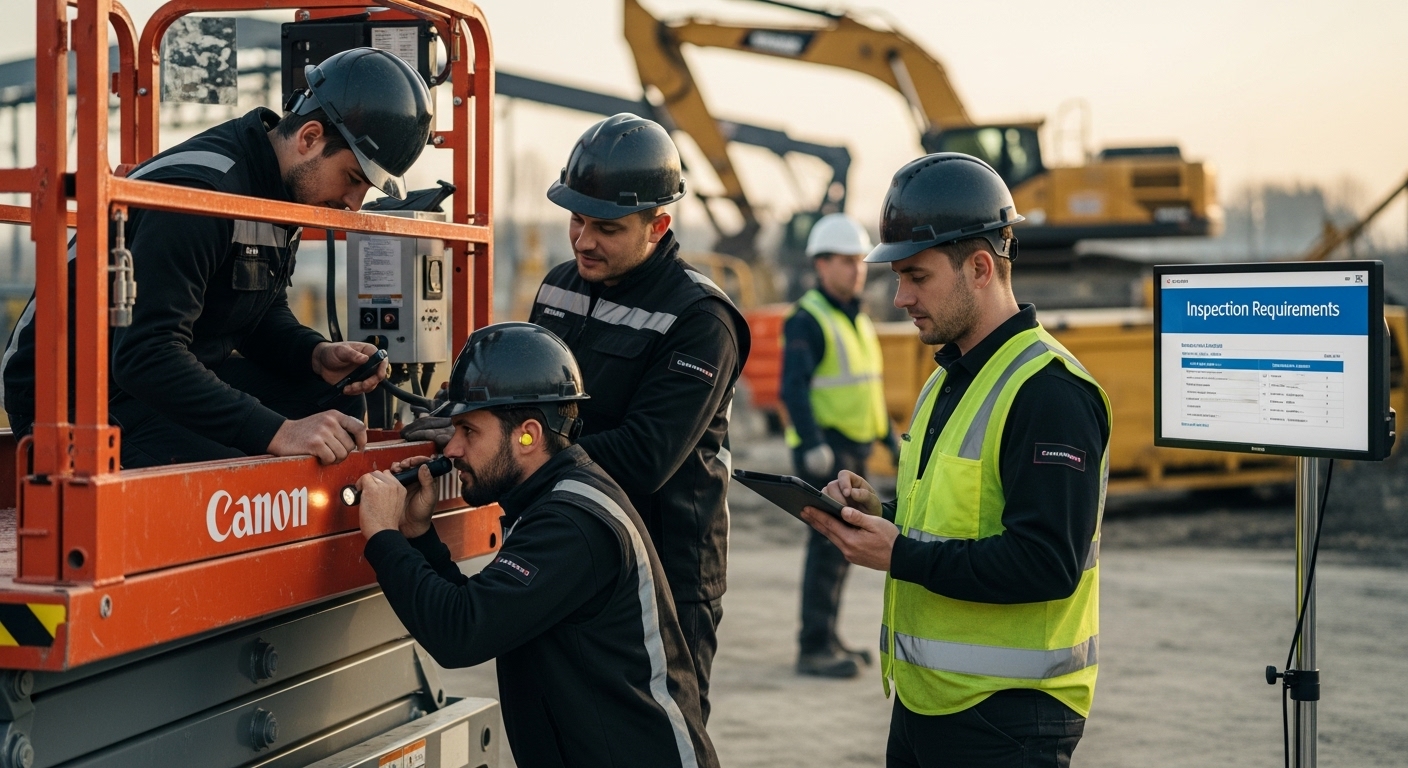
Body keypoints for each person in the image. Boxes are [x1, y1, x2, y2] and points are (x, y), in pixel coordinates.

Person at [800, 153, 1110, 768]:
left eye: (916, 276)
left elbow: (1048, 563)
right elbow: (962, 520)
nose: (899, 297)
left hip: (1007, 721)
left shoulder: (1049, 393)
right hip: (927, 704)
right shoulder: (948, 379)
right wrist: (879, 513)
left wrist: (900, 554)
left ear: (979, 267)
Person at [0, 47, 432, 467]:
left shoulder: (278, 187)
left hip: (159, 379)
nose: (355, 204)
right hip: (74, 401)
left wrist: (314, 354)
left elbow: (254, 313)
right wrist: (278, 432)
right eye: (353, 178)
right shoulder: (200, 193)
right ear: (310, 138)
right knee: (241, 480)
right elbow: (146, 354)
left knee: (341, 396)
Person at [355, 322, 718, 768]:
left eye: (469, 431)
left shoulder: (573, 523)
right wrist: (417, 534)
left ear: (528, 434)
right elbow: (485, 612)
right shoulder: (550, 500)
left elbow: (460, 634)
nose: (452, 450)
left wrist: (383, 536)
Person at [526, 113, 751, 720]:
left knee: (654, 741)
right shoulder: (557, 289)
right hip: (569, 557)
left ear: (660, 224)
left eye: (606, 227)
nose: (582, 240)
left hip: (665, 579)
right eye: (575, 219)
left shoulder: (702, 319)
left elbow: (646, 455)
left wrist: (521, 450)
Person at [781, 212, 899, 678]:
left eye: (860, 261)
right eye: (846, 261)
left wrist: (888, 438)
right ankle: (813, 646)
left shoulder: (856, 318)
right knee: (828, 549)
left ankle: (828, 636)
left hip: (854, 450)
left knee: (842, 550)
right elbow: (793, 387)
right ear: (821, 265)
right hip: (826, 453)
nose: (857, 270)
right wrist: (811, 444)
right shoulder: (808, 318)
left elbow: (867, 387)